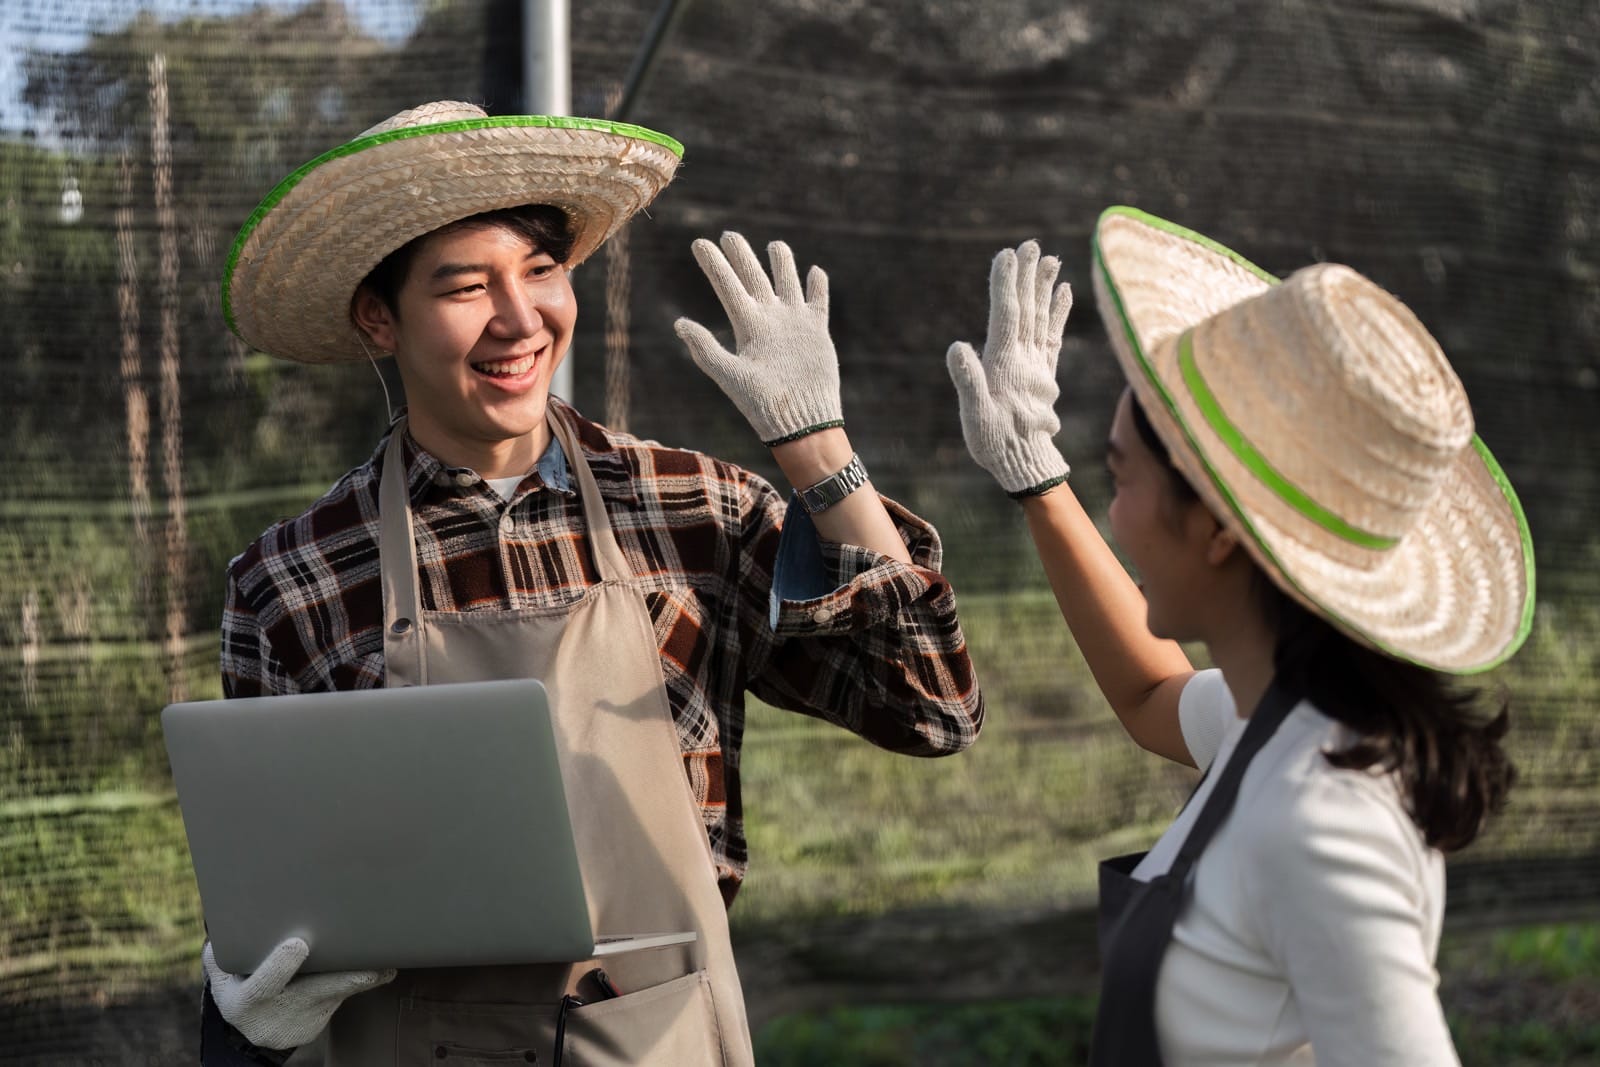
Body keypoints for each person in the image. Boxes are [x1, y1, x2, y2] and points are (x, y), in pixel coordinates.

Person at [200, 101, 982, 1066]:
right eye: (464, 286)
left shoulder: (694, 510)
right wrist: (243, 1015)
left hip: (665, 1040)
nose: (520, 319)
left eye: (541, 270)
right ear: (378, 316)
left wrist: (822, 456)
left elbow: (932, 710)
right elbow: (278, 911)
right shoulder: (294, 579)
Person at [943, 207, 1533, 1065]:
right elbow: (1151, 695)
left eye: (1119, 475)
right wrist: (1037, 477)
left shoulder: (1324, 825)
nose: (1114, 513)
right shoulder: (1287, 718)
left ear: (1219, 530)